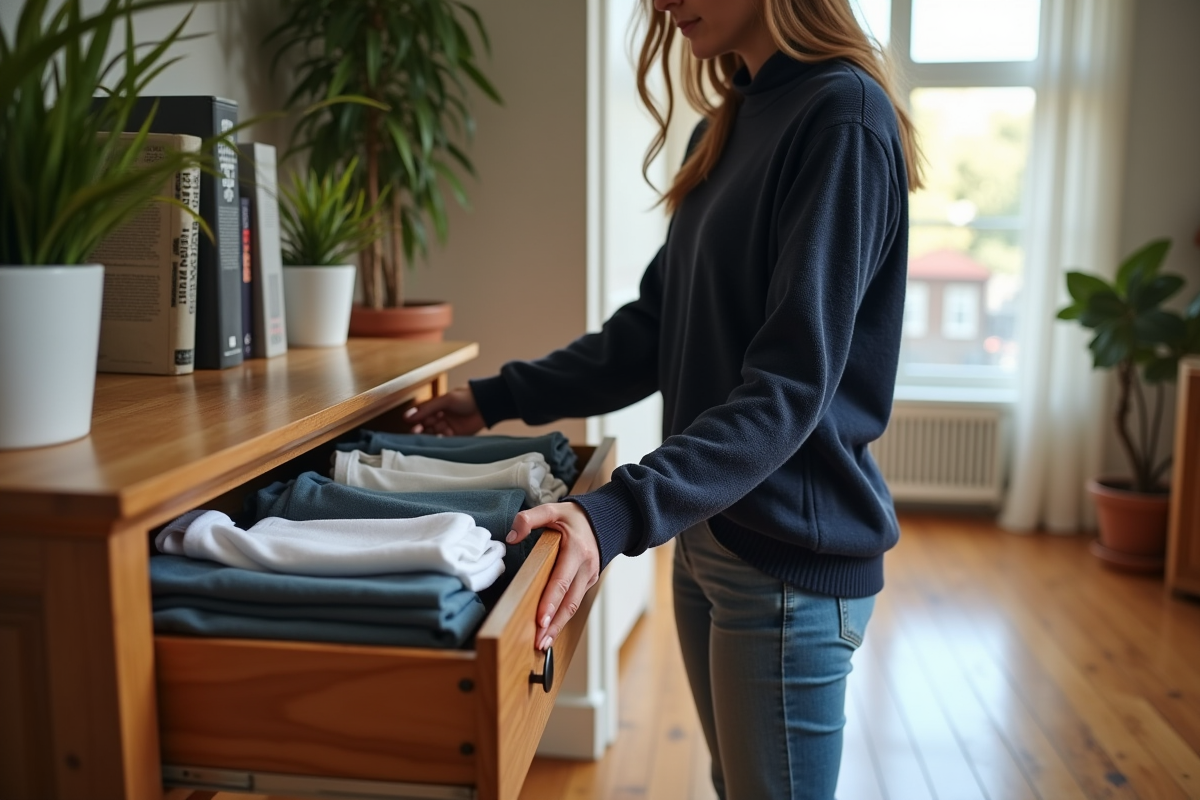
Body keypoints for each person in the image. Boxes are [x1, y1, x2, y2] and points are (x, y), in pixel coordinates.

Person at [404, 0, 921, 796]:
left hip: (789, 564)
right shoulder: (726, 122)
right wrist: (496, 396)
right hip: (712, 532)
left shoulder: (841, 114)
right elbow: (653, 332)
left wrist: (611, 511)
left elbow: (790, 389)